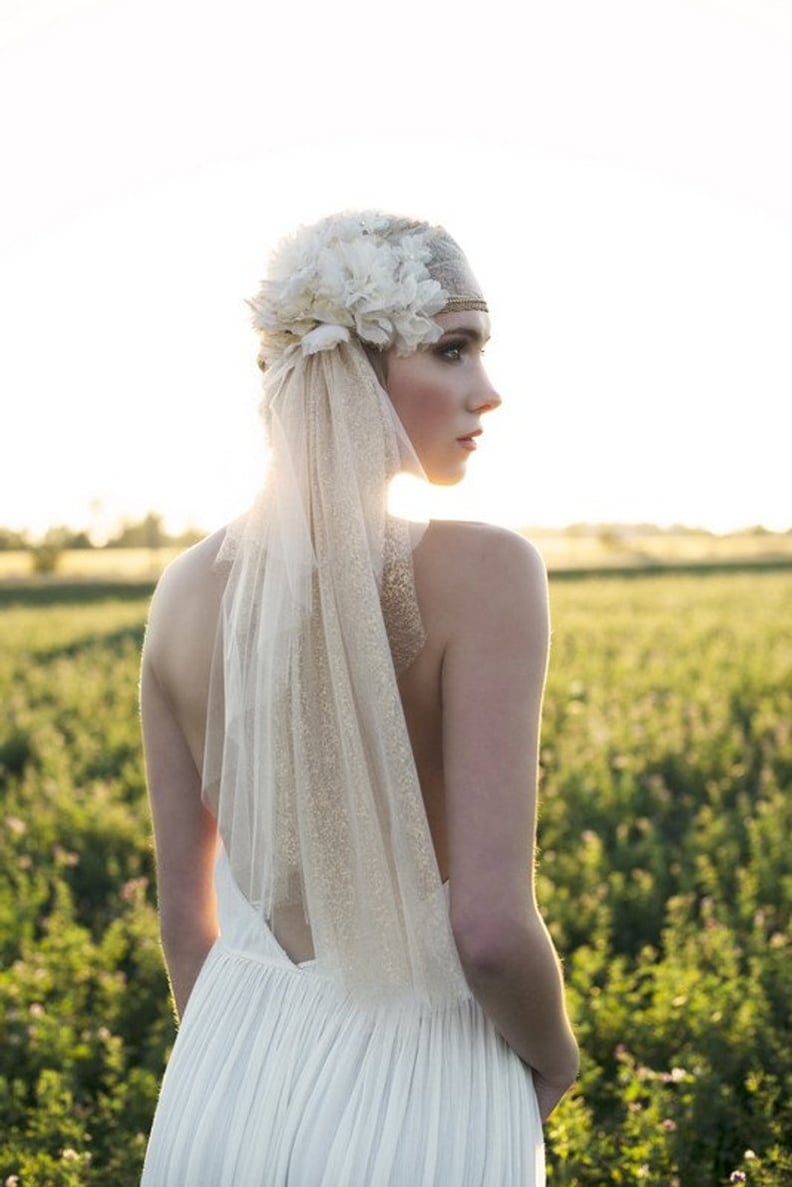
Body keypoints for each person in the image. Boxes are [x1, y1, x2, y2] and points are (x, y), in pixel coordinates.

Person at [139, 211, 578, 1185]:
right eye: (454, 349)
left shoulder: (180, 591)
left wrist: (237, 1067)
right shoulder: (490, 571)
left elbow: (186, 919)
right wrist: (553, 1055)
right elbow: (493, 930)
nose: (487, 391)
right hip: (421, 1079)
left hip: (221, 1070)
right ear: (353, 374)